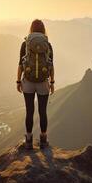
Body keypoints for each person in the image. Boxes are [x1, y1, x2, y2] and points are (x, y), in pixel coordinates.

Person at [16, 19, 55, 149]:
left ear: (31, 29)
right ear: (43, 29)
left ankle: (28, 141)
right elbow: (51, 65)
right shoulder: (47, 45)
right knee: (42, 111)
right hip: (43, 82)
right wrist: (52, 82)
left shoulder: (25, 44)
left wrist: (18, 81)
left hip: (28, 82)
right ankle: (43, 140)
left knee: (29, 111)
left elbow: (20, 65)